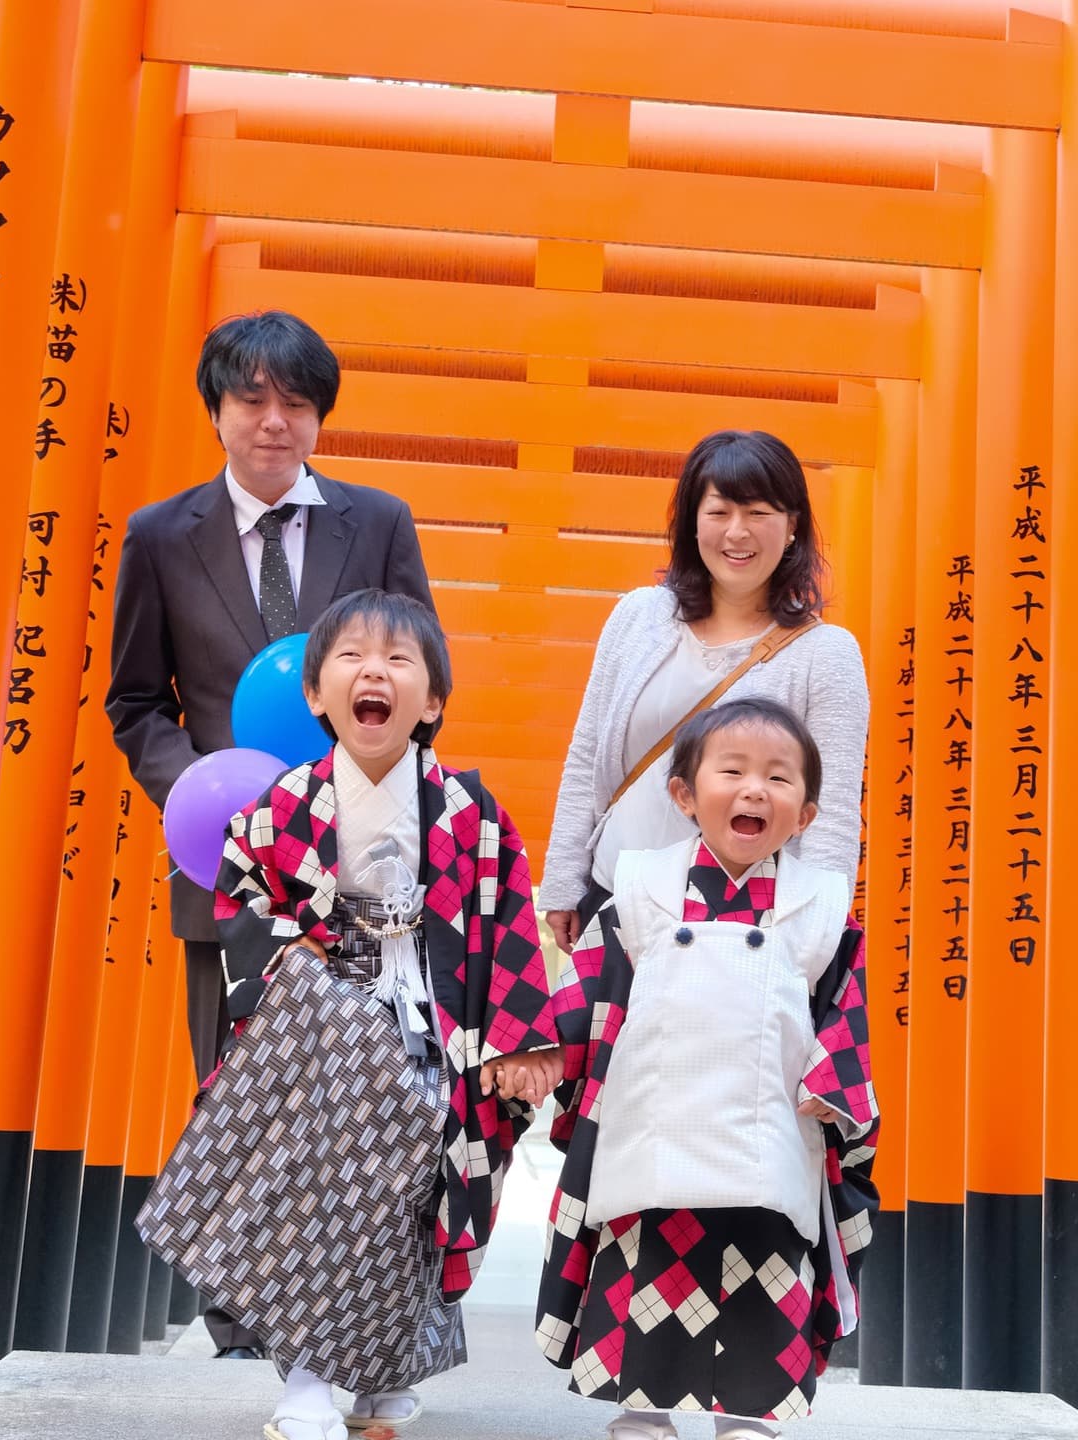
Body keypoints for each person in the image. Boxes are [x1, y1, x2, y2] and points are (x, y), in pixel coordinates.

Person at [204, 589, 563, 1440]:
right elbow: (239, 901)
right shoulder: (282, 806)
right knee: (314, 1187)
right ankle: (310, 1378)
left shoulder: (471, 815)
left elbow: (508, 918)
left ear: (433, 700)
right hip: (317, 1019)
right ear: (316, 695)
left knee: (422, 1194)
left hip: (433, 1020)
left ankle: (385, 1368)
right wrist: (295, 953)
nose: (377, 671)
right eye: (353, 657)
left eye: (401, 660)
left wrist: (522, 1040)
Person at [106, 310, 436, 1087]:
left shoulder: (380, 523)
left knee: (358, 1100)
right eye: (252, 401)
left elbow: (426, 680)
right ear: (216, 412)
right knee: (235, 1103)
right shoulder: (158, 537)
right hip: (226, 866)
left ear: (320, 417)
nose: (275, 423)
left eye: (297, 404)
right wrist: (202, 796)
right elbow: (137, 702)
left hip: (361, 866)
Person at [536, 698, 879, 1440]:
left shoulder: (820, 907)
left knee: (763, 1267)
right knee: (652, 1260)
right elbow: (586, 988)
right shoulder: (639, 886)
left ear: (807, 815)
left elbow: (843, 1012)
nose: (755, 789)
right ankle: (643, 1409)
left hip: (770, 1133)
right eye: (733, 770)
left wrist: (834, 1085)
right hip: (654, 1127)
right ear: (685, 794)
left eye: (779, 779)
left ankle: (750, 1416)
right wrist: (541, 1049)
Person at [539, 429, 869, 954]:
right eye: (719, 512)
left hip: (745, 927)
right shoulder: (638, 617)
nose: (737, 532)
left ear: (792, 528)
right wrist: (563, 881)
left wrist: (815, 937)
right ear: (693, 522)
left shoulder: (827, 655)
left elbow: (829, 812)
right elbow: (586, 758)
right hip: (614, 897)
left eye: (758, 512)